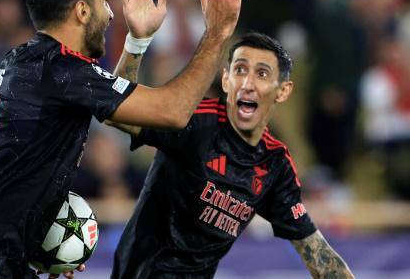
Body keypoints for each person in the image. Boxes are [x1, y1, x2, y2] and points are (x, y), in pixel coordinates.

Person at [0, 0, 251, 279]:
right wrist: (217, 33)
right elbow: (173, 112)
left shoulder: (26, 62)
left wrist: (137, 42)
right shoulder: (62, 71)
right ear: (82, 10)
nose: (111, 15)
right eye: (104, 2)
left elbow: (124, 121)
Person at [109, 32, 355, 278]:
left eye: (261, 74)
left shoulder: (275, 165)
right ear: (226, 80)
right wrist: (136, 41)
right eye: (240, 70)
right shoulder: (193, 120)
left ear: (282, 91)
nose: (247, 83)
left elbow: (319, 256)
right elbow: (119, 111)